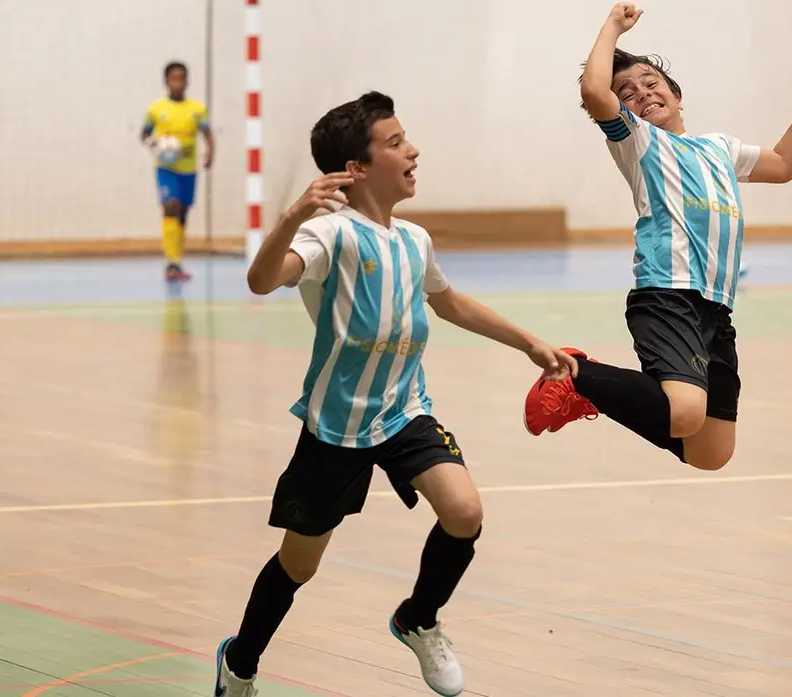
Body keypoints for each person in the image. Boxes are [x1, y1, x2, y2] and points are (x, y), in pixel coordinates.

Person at [213, 91, 577, 697]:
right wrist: (290, 218)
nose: (413, 150)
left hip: (406, 410)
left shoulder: (414, 239)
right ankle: (240, 661)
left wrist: (529, 343)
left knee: (464, 513)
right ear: (355, 169)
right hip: (335, 426)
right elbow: (260, 281)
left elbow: (449, 301)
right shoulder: (329, 235)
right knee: (299, 565)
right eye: (395, 142)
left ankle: (418, 619)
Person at [522, 3, 792, 472]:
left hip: (716, 307)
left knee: (711, 453)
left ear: (677, 94)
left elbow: (785, 164)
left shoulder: (719, 148)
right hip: (666, 294)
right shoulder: (637, 141)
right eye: (627, 92)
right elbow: (593, 89)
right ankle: (577, 374)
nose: (642, 93)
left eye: (652, 83)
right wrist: (613, 26)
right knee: (684, 412)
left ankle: (592, 388)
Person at [141, 61, 214, 281]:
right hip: (166, 168)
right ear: (166, 81)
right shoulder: (156, 109)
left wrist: (210, 153)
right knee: (169, 206)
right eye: (173, 78)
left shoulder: (197, 109)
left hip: (188, 169)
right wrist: (157, 144)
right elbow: (144, 134)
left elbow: (207, 133)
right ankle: (171, 262)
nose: (178, 82)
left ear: (187, 80)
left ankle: (177, 260)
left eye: (181, 78)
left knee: (182, 212)